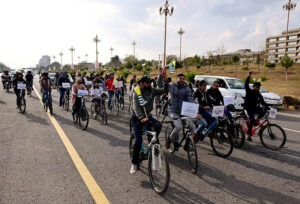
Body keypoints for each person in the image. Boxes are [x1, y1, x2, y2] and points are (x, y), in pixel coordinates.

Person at [130, 73, 168, 174]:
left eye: (150, 82)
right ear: (142, 83)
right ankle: (134, 163)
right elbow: (136, 107)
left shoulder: (152, 90)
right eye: (147, 83)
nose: (149, 84)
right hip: (137, 118)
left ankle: (152, 141)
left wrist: (165, 80)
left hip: (148, 116)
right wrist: (141, 118)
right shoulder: (136, 91)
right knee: (138, 140)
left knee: (158, 125)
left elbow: (165, 90)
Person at [166, 73, 196, 151]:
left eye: (183, 78)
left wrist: (195, 110)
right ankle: (169, 139)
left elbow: (190, 99)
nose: (182, 80)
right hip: (173, 111)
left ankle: (187, 144)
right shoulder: (172, 86)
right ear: (177, 79)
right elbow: (163, 86)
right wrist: (162, 77)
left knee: (192, 127)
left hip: (183, 112)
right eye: (180, 78)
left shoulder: (187, 88)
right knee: (179, 127)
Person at [244, 71, 268, 141]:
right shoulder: (249, 91)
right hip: (248, 108)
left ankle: (256, 121)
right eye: (257, 87)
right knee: (251, 121)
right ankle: (248, 134)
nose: (258, 88)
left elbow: (263, 102)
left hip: (254, 108)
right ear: (254, 86)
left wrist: (268, 107)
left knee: (264, 110)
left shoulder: (258, 94)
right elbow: (246, 85)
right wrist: (249, 76)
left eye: (259, 87)